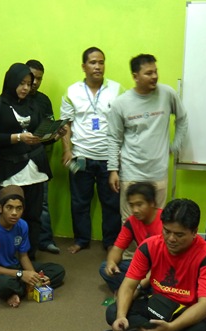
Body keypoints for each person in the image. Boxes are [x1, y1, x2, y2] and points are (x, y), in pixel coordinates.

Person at [99, 199, 206, 331]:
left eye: (179, 235)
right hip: (158, 304)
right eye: (166, 231)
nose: (171, 239)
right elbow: (128, 286)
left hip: (187, 312)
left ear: (194, 232)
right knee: (113, 312)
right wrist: (121, 316)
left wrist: (171, 327)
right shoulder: (149, 246)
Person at [0, 63, 58, 260]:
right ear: (11, 81)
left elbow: (39, 135)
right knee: (11, 216)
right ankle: (6, 258)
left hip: (35, 168)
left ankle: (29, 256)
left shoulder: (33, 105)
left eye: (28, 84)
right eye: (21, 83)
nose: (25, 88)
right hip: (9, 168)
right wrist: (18, 137)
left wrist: (54, 135)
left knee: (33, 216)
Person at [107, 53, 188, 221]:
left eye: (155, 71)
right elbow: (114, 138)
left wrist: (175, 146)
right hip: (131, 172)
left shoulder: (167, 94)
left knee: (157, 222)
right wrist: (113, 170)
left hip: (158, 172)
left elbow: (182, 119)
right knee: (130, 222)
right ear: (135, 76)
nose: (155, 76)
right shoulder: (121, 103)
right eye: (149, 73)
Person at [60, 47, 124, 254]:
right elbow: (65, 123)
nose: (98, 66)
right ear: (84, 66)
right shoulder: (72, 91)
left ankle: (111, 242)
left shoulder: (117, 90)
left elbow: (124, 122)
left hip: (109, 158)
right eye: (93, 62)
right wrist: (67, 150)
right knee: (79, 201)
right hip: (81, 156)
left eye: (101, 62)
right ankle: (81, 239)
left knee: (111, 203)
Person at [0, 185, 65, 307]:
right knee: (7, 284)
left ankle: (20, 290)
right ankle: (20, 288)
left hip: (14, 266)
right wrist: (21, 274)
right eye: (9, 207)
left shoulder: (22, 225)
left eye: (19, 208)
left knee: (57, 270)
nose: (14, 213)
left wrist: (34, 277)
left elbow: (23, 256)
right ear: (0, 208)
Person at [99, 182, 162, 293]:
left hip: (162, 268)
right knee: (104, 267)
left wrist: (139, 285)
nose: (135, 210)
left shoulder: (165, 221)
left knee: (162, 284)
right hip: (144, 266)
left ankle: (134, 292)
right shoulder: (131, 222)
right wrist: (111, 263)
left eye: (139, 204)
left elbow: (162, 263)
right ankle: (138, 293)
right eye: (131, 205)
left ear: (152, 203)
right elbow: (117, 249)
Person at [26, 59, 60, 255]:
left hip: (40, 156)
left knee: (43, 202)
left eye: (39, 79)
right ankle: (20, 242)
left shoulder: (44, 100)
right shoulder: (13, 98)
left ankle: (45, 240)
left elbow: (50, 128)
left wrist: (55, 134)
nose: (35, 82)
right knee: (18, 202)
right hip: (16, 158)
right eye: (33, 77)